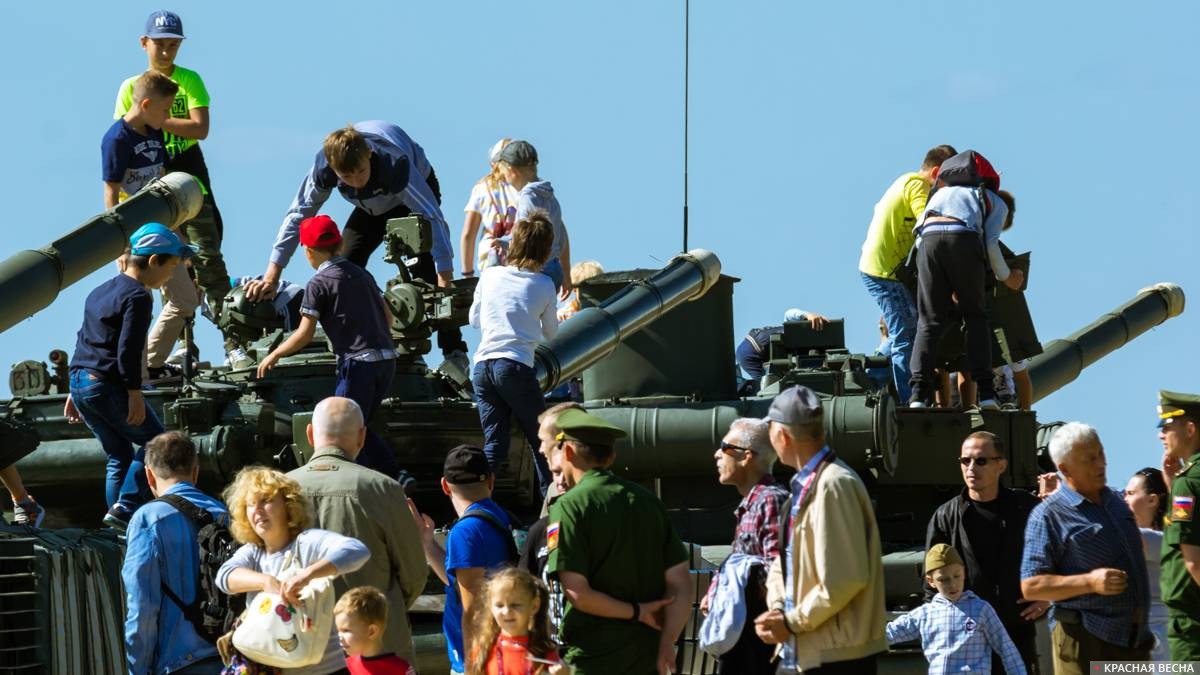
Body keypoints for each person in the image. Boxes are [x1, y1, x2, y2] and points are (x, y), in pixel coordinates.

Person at [246, 121, 469, 373]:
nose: (355, 182)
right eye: (346, 177)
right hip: (369, 208)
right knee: (342, 269)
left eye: (360, 172)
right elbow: (298, 215)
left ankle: (454, 352)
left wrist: (445, 274)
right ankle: (357, 346)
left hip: (410, 198)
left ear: (370, 156)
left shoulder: (395, 166)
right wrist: (273, 274)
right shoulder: (324, 168)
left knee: (428, 277)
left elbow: (432, 216)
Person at [114, 10, 232, 358]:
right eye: (160, 44)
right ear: (144, 43)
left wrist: (159, 120)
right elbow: (126, 133)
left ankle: (231, 339)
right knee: (158, 262)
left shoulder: (189, 79)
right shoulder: (130, 86)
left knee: (207, 258)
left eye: (173, 45)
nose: (166, 52)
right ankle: (178, 346)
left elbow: (200, 128)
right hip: (151, 176)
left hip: (190, 172)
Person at [64, 223, 195, 529]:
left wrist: (74, 389)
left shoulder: (100, 290)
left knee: (118, 454)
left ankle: (118, 522)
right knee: (156, 443)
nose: (169, 277)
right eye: (171, 266)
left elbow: (85, 338)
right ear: (153, 261)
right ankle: (126, 508)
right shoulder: (138, 295)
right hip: (109, 384)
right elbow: (128, 349)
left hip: (83, 381)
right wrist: (134, 394)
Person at [546, 408, 691, 674]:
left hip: (592, 660)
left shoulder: (568, 506)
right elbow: (681, 583)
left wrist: (637, 611)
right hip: (647, 658)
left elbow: (578, 593)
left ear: (567, 452)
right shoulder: (649, 502)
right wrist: (667, 642)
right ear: (611, 456)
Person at [755, 385, 887, 673]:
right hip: (810, 649)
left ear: (783, 436)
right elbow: (785, 560)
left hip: (836, 657)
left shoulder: (833, 485)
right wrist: (778, 609)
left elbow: (845, 578)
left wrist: (790, 621)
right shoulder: (805, 487)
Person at [257, 216, 400, 478]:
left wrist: (275, 353)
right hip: (387, 360)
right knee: (360, 425)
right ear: (339, 243)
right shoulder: (362, 273)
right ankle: (384, 475)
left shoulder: (318, 283)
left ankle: (393, 476)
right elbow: (388, 316)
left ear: (308, 251)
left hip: (358, 363)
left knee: (342, 425)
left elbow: (304, 333)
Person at [287, 397, 427, 666]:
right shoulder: (384, 488)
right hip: (375, 649)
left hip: (302, 646)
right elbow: (414, 574)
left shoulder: (279, 490)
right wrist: (380, 613)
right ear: (362, 436)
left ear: (309, 434)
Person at [1020, 422, 1151, 673]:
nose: (1100, 463)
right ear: (1065, 469)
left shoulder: (1117, 502)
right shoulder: (1048, 516)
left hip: (1132, 639)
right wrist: (1090, 582)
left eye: (1100, 453)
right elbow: (1031, 586)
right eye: (1088, 458)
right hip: (1083, 639)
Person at [216, 467, 370, 675]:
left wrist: (307, 575)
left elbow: (357, 550)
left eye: (266, 500)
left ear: (288, 505)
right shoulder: (252, 552)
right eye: (251, 504)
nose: (257, 510)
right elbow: (224, 577)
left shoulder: (306, 541)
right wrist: (265, 581)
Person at [908, 151, 1024, 409]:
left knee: (928, 322)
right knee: (975, 318)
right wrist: (1008, 277)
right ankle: (985, 393)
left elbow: (920, 237)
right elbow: (990, 245)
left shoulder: (938, 195)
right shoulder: (992, 199)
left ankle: (918, 394)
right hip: (963, 239)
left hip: (927, 243)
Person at [926, 431, 1045, 673]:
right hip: (967, 640)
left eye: (980, 461)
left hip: (1016, 632)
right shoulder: (946, 517)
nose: (971, 468)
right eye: (965, 461)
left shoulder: (1026, 508)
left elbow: (1061, 554)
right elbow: (931, 584)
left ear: (1001, 465)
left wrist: (1050, 597)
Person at [104, 69, 194, 381]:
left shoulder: (154, 131)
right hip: (135, 237)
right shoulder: (117, 139)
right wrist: (123, 243)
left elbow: (163, 180)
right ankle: (139, 376)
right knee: (137, 306)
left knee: (186, 298)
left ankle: (152, 363)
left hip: (165, 229)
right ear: (145, 105)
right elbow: (111, 192)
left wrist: (178, 231)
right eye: (165, 109)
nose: (168, 116)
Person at [857, 145, 958, 402]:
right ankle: (907, 400)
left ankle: (871, 378)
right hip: (884, 272)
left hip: (882, 269)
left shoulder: (903, 181)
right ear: (936, 172)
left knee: (907, 327)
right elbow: (927, 220)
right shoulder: (916, 186)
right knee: (906, 333)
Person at [122, 431, 227, 674]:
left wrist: (137, 669)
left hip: (179, 663)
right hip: (231, 659)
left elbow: (142, 608)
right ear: (196, 471)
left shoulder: (147, 519)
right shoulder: (228, 514)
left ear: (149, 475)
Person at [407, 446, 515, 675]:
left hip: (477, 662)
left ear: (445, 486)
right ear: (491, 481)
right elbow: (458, 583)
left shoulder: (465, 532)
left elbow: (472, 610)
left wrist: (472, 667)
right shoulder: (499, 515)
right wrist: (427, 543)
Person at [469, 215, 559, 489]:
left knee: (495, 443)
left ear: (515, 244)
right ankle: (551, 503)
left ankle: (473, 497)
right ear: (545, 251)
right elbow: (551, 332)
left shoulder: (490, 274)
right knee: (540, 438)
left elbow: (475, 319)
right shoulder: (544, 285)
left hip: (482, 368)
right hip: (516, 366)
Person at [699, 418, 788, 674]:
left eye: (725, 447)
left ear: (746, 457)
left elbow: (777, 571)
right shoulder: (752, 504)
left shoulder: (770, 501)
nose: (717, 454)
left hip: (757, 644)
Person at [886, 543, 1027, 675]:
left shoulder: (981, 609)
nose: (952, 584)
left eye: (957, 576)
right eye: (943, 579)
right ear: (931, 581)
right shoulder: (924, 614)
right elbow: (889, 633)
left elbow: (1006, 648)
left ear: (964, 573)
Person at [494, 141, 571, 297]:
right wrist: (565, 271)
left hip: (537, 269)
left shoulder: (528, 197)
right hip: (553, 267)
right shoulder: (548, 195)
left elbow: (525, 233)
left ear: (512, 170)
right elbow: (561, 234)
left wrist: (503, 242)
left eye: (504, 171)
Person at [1157, 390, 1200, 661]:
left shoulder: (1188, 483)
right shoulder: (1186, 481)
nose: (1162, 434)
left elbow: (1194, 561)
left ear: (1191, 429)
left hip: (1192, 625)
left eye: (1167, 426)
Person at [467, 568, 567, 675]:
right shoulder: (483, 651)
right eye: (499, 605)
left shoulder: (545, 654)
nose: (506, 611)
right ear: (490, 606)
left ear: (534, 606)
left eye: (515, 605)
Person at [1122, 467, 1170, 661]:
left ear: (1152, 500)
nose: (1124, 499)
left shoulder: (1154, 540)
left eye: (1131, 494)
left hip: (1157, 645)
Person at [735, 309, 831, 391]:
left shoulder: (812, 354)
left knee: (771, 385)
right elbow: (789, 313)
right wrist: (808, 315)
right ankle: (738, 384)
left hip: (755, 350)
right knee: (766, 388)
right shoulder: (800, 329)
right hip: (751, 350)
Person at [461, 139, 520, 273]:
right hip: (521, 260)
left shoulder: (482, 188)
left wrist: (467, 273)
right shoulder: (526, 188)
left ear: (493, 163)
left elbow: (468, 235)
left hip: (491, 260)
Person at [333, 586, 417, 675]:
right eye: (337, 631)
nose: (339, 637)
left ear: (372, 631)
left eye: (345, 630)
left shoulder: (402, 670)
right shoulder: (345, 667)